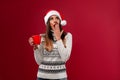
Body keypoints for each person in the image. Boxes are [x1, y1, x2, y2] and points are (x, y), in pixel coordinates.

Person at [28, 10, 72, 80]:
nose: (55, 20)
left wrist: (58, 39)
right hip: (42, 77)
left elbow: (65, 58)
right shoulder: (42, 37)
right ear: (48, 23)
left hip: (60, 77)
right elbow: (39, 61)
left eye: (57, 18)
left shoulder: (67, 36)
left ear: (60, 21)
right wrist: (36, 49)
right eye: (51, 18)